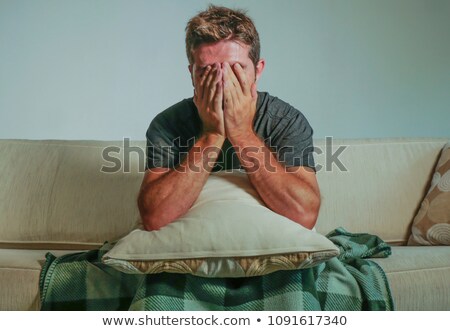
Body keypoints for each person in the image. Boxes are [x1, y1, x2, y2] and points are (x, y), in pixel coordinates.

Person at [138, 5, 320, 231]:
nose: (222, 81)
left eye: (236, 68)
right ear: (192, 74)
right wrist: (212, 134)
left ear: (258, 69)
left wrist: (241, 132)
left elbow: (304, 214)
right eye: (207, 71)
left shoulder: (285, 120)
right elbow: (154, 217)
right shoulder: (167, 124)